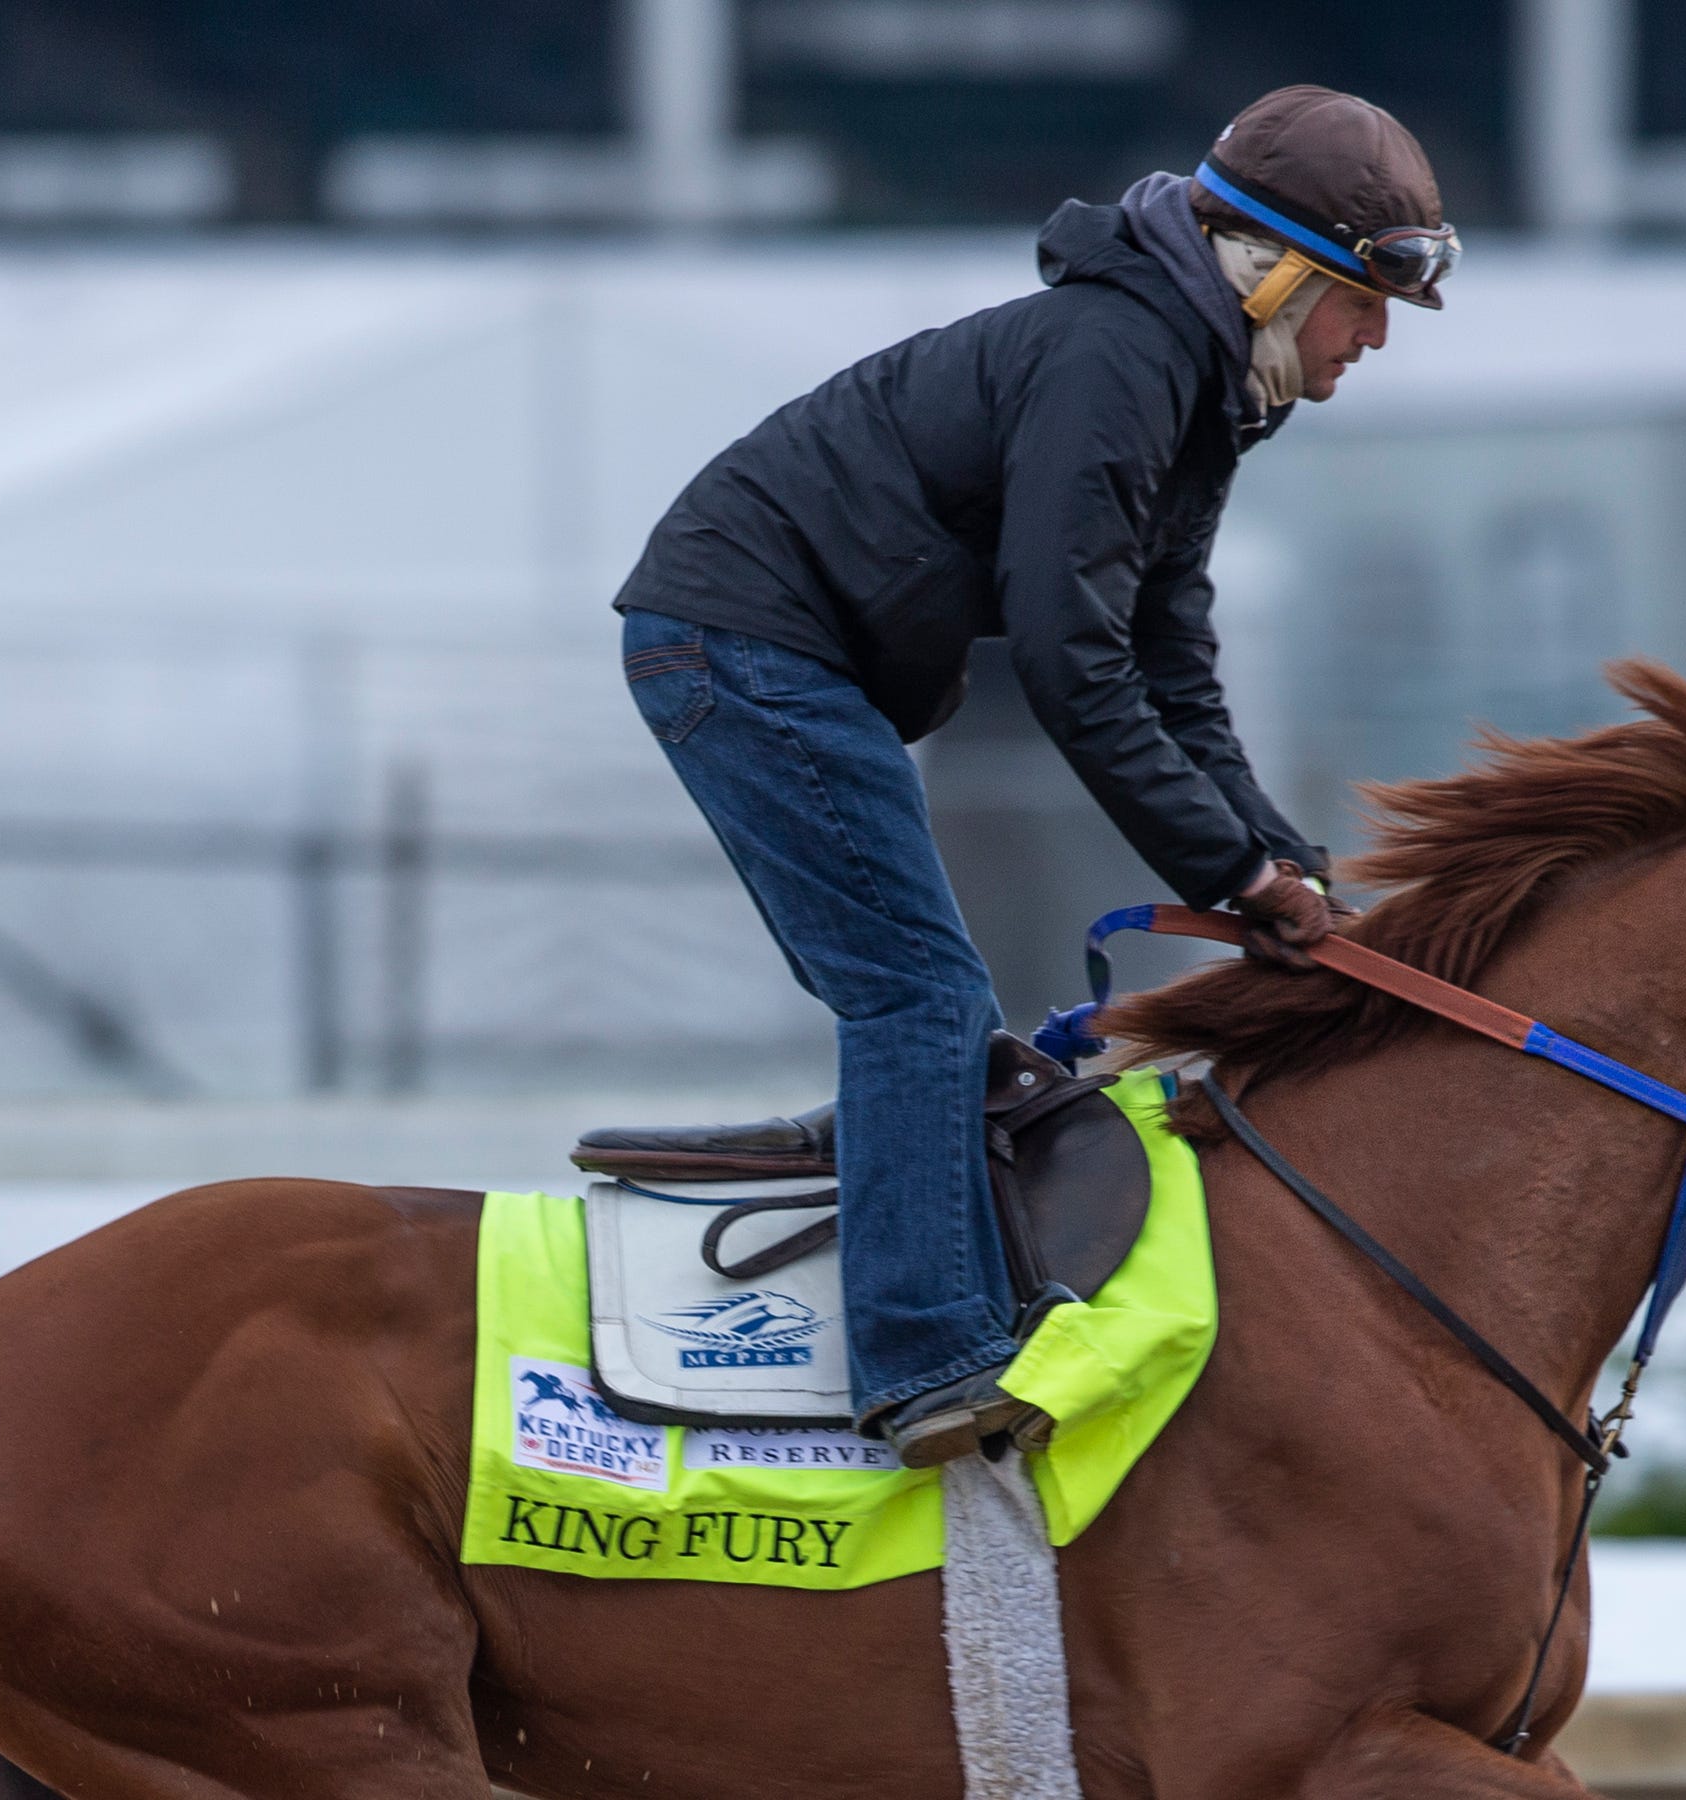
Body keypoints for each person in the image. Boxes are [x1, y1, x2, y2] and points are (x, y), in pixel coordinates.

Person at [611, 85, 1454, 1467]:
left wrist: (1279, 857)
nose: (1372, 341)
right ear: (1278, 271)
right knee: (922, 994)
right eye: (1364, 305)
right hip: (739, 641)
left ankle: (904, 1190)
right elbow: (1073, 662)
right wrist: (1225, 872)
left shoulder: (1193, 386)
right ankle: (929, 1362)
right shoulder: (1120, 359)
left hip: (774, 645)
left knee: (929, 1005)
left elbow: (1170, 658)